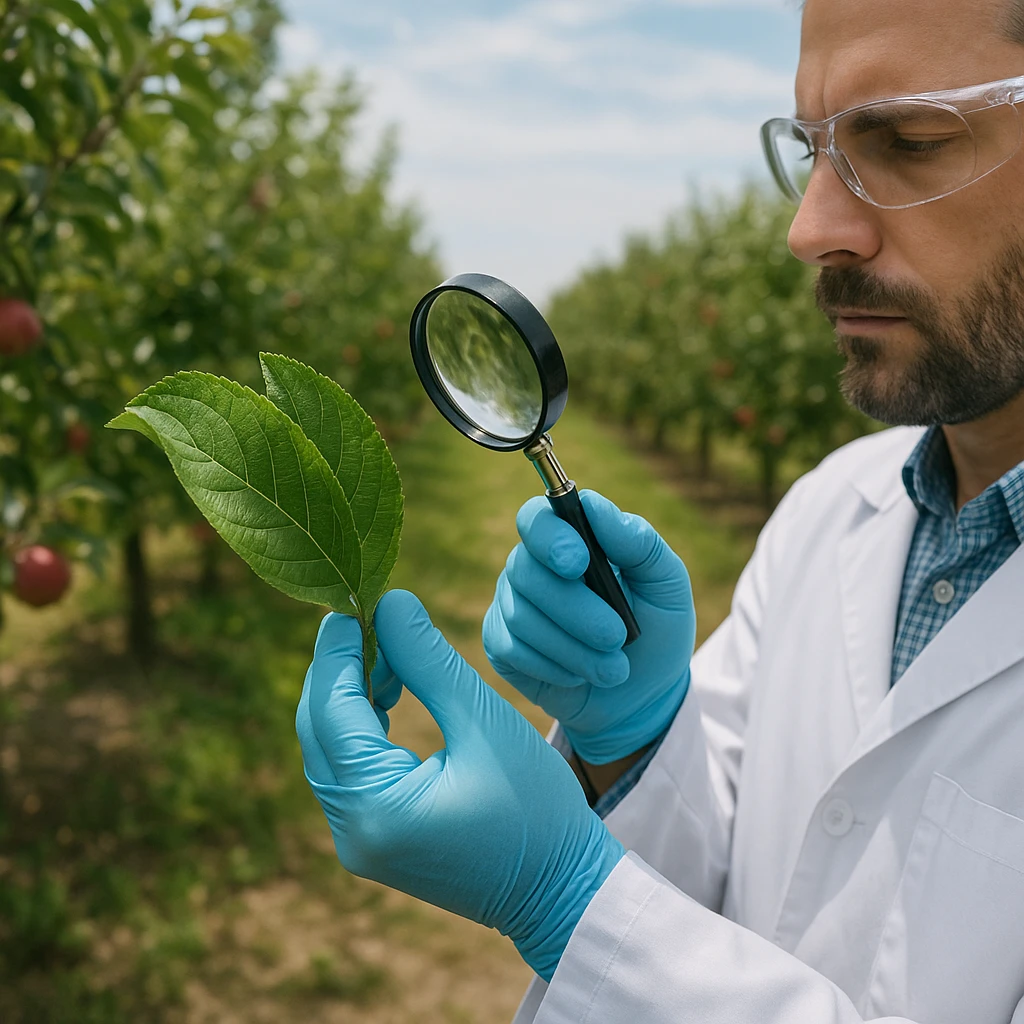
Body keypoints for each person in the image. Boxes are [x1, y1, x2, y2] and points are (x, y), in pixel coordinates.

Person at [295, 0, 1024, 1018]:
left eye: (906, 141)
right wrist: (635, 742)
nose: (808, 228)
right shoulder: (830, 509)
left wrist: (562, 896)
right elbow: (740, 878)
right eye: (809, 151)